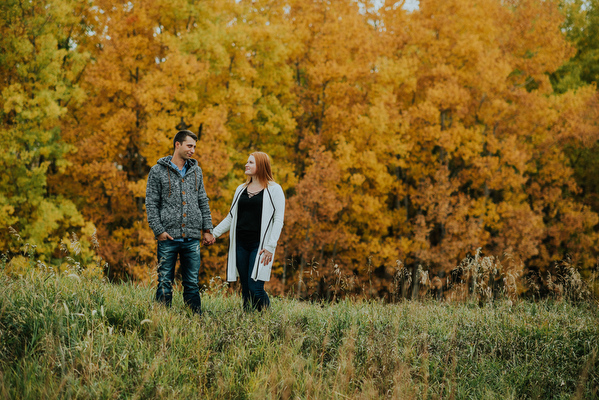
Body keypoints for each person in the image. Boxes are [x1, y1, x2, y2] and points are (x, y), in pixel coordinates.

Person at [145, 130, 214, 314]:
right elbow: (151, 203)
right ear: (178, 144)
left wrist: (207, 229)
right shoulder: (157, 171)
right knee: (164, 282)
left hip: (192, 237)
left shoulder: (196, 171)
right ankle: (162, 319)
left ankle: (195, 321)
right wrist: (158, 230)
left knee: (191, 283)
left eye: (194, 147)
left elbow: (203, 200)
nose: (192, 150)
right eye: (189, 146)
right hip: (168, 237)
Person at [212, 152, 285, 311]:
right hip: (240, 244)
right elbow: (231, 217)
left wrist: (271, 247)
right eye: (247, 162)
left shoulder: (274, 190)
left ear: (261, 165)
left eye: (251, 162)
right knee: (245, 288)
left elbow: (278, 219)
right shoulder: (240, 189)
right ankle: (249, 321)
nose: (246, 165)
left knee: (255, 288)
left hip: (260, 246)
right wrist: (213, 234)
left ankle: (267, 317)